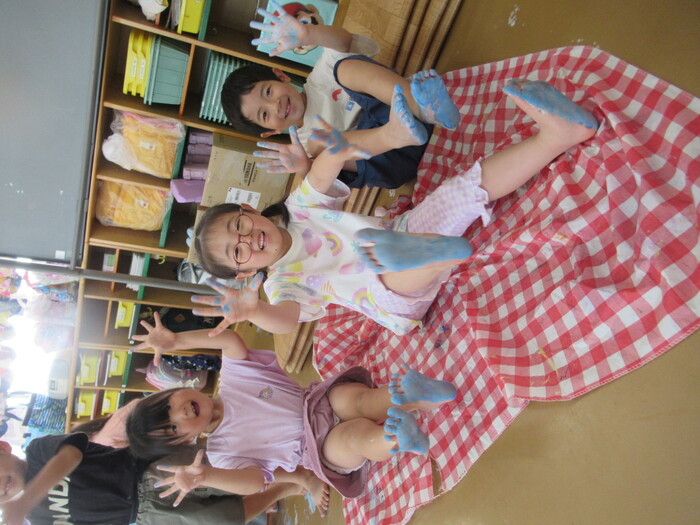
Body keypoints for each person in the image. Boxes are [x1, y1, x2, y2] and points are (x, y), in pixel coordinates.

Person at [191, 79, 599, 336]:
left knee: (462, 189)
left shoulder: (298, 208)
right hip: (391, 298)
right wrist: (254, 310)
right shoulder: (281, 283)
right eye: (238, 251)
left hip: (403, 230)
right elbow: (283, 320)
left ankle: (557, 137)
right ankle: (436, 258)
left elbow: (321, 174)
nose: (248, 238)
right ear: (246, 273)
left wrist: (334, 151)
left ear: (250, 212)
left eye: (239, 225)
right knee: (387, 272)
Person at [124, 313, 458, 516]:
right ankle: (396, 436)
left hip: (319, 402)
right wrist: (205, 477)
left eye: (169, 404)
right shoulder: (222, 454)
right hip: (318, 448)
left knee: (357, 400)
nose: (180, 412)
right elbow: (255, 482)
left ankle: (410, 393)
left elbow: (228, 339)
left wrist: (176, 341)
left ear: (175, 388)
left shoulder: (233, 378)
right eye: (173, 427)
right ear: (186, 440)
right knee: (355, 439)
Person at [221, 0, 461, 188]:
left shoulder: (321, 75)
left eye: (268, 91)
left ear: (281, 75)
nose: (275, 105)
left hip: (407, 113)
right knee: (317, 146)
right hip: (388, 160)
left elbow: (343, 41)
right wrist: (305, 168)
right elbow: (317, 188)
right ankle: (397, 133)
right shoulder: (301, 146)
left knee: (343, 67)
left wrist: (309, 35)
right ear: (271, 132)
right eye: (264, 114)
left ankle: (425, 108)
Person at [0, 435, 301, 525]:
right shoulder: (38, 519)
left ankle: (297, 472)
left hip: (149, 473)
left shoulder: (38, 451)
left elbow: (70, 457)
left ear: (3, 447)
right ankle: (283, 490)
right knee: (227, 518)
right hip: (144, 517)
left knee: (226, 472)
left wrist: (25, 502)